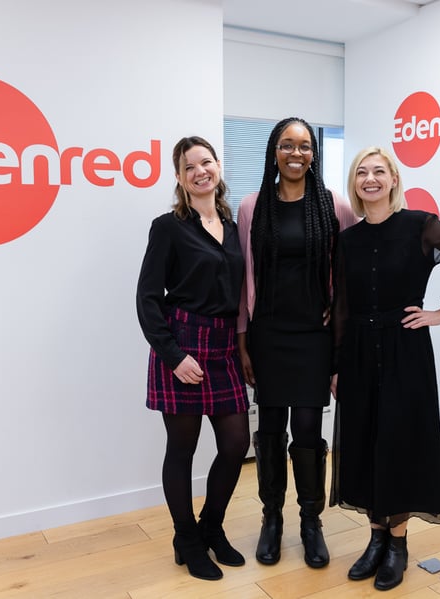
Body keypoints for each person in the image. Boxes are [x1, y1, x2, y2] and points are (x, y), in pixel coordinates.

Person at [329, 147, 440, 591]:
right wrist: (336, 364)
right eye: (362, 173)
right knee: (364, 442)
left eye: (379, 171)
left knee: (399, 443)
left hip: (405, 349)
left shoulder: (420, 225)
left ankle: (397, 544)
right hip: (359, 353)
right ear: (355, 184)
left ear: (394, 179)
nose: (370, 179)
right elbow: (341, 306)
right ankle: (375, 539)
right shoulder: (346, 240)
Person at [237, 117, 359, 568]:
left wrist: (338, 314)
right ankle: (273, 519)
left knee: (308, 431)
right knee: (269, 430)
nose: (296, 153)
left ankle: (311, 521)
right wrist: (243, 340)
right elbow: (245, 276)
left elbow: (349, 272)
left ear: (314, 153)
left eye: (305, 146)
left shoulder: (334, 205)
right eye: (287, 144)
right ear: (274, 151)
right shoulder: (253, 206)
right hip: (267, 334)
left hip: (314, 336)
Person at [136, 136, 250, 581]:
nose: (201, 171)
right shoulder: (168, 227)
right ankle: (186, 538)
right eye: (190, 167)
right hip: (181, 344)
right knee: (181, 449)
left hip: (222, 346)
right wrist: (172, 354)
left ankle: (212, 528)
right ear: (180, 177)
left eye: (206, 162)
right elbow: (148, 298)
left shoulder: (233, 225)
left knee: (236, 443)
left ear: (218, 166)